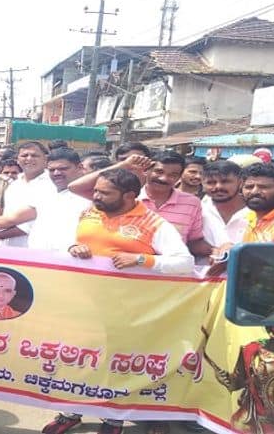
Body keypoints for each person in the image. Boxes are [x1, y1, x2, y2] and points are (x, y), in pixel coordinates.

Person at [43, 168, 193, 434]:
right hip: (83, 302)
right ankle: (71, 411)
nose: (96, 196)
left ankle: (113, 419)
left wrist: (141, 260)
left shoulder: (152, 223)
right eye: (96, 190)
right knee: (77, 358)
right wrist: (72, 248)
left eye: (104, 193)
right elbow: (65, 242)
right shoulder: (89, 212)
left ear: (129, 195)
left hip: (129, 308)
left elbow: (184, 262)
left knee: (116, 362)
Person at [0, 148, 90, 252]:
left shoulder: (89, 197)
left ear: (79, 167)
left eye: (63, 169)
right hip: (35, 259)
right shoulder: (46, 193)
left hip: (69, 262)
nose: (56, 173)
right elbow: (12, 219)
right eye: (52, 170)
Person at [139, 151, 209, 257]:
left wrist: (216, 252)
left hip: (170, 269)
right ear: (146, 170)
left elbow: (194, 241)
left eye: (173, 175)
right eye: (159, 172)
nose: (164, 178)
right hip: (128, 268)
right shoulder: (129, 198)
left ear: (179, 177)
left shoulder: (192, 203)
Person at [0, 141, 53, 247]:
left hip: (33, 249)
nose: (29, 159)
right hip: (6, 247)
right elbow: (7, 216)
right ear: (18, 160)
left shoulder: (51, 184)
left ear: (45, 159)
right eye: (24, 155)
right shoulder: (14, 185)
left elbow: (28, 226)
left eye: (34, 155)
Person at [200, 160, 249, 246]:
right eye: (211, 182)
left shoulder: (257, 211)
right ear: (203, 184)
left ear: (241, 183)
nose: (218, 186)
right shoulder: (197, 211)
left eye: (225, 181)